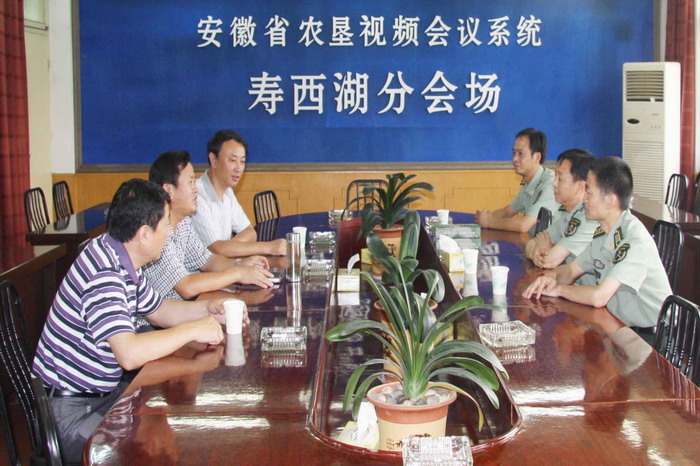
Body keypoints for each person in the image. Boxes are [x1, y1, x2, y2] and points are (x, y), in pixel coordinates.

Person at [32, 179, 239, 464]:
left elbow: (159, 310)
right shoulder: (104, 273)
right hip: (71, 411)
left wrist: (207, 309)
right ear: (143, 234)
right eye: (165, 225)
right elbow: (128, 354)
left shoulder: (118, 253)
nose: (168, 233)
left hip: (100, 395)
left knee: (159, 424)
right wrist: (191, 329)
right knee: (142, 452)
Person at [523, 156, 672, 331]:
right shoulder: (604, 232)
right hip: (619, 324)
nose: (584, 199)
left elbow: (599, 297)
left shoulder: (633, 240)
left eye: (590, 192)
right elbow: (572, 270)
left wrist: (558, 290)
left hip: (651, 336)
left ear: (610, 200)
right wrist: (551, 278)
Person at [144, 151, 274, 300]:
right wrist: (238, 274)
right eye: (190, 182)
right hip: (166, 313)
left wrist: (240, 264)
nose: (196, 188)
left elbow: (207, 260)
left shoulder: (183, 222)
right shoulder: (158, 231)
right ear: (169, 190)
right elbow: (186, 286)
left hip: (189, 305)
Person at [191, 129, 286, 257]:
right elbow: (217, 249)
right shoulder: (196, 195)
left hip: (222, 266)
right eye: (232, 160)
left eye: (242, 161)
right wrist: (268, 247)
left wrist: (229, 248)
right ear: (213, 160)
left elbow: (250, 232)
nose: (238, 168)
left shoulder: (227, 191)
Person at [475, 128, 559, 236]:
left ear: (537, 157)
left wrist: (489, 222)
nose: (515, 159)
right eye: (514, 153)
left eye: (520, 153)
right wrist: (485, 217)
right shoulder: (529, 181)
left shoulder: (551, 184)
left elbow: (524, 225)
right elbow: (508, 211)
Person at [524, 148, 598, 269]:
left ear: (580, 186)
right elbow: (531, 244)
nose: (554, 183)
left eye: (560, 179)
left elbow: (548, 261)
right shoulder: (567, 212)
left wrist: (542, 250)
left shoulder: (588, 218)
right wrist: (538, 250)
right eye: (555, 176)